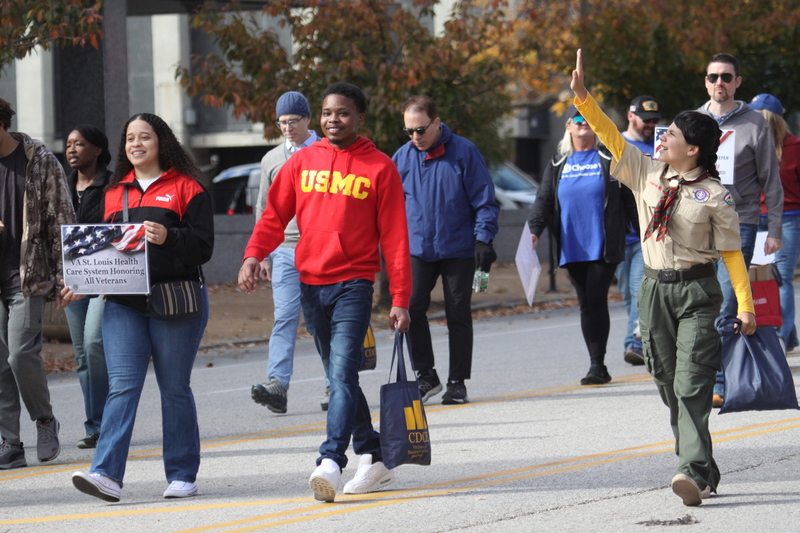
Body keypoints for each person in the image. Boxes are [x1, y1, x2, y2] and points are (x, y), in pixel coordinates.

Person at [571, 49, 756, 506]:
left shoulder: (715, 195)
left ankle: (690, 470)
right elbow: (613, 137)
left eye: (670, 134)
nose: (660, 137)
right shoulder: (645, 172)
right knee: (667, 380)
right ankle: (704, 468)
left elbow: (732, 256)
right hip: (653, 289)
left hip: (696, 291)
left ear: (692, 148)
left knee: (692, 383)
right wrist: (582, 100)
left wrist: (746, 306)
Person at [238, 82, 411, 503]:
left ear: (360, 119)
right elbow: (274, 214)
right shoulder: (303, 162)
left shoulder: (380, 167)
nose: (335, 119)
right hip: (310, 281)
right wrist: (252, 255)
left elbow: (395, 239)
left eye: (344, 113)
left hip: (354, 283)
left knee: (340, 376)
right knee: (341, 374)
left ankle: (330, 460)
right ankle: (374, 451)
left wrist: (401, 298)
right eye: (329, 112)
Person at [67, 113, 214, 502]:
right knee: (123, 388)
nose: (136, 144)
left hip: (176, 302)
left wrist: (169, 236)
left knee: (174, 389)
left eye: (144, 137)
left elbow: (203, 247)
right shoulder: (114, 192)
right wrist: (80, 282)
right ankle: (106, 475)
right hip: (123, 304)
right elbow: (98, 248)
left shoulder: (188, 187)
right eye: (130, 137)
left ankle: (183, 474)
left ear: (161, 142)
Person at [392, 95, 499, 405]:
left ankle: (457, 381)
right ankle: (426, 376)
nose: (415, 137)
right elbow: (390, 207)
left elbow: (485, 200)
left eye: (421, 130)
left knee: (457, 312)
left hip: (459, 247)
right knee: (410, 308)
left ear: (437, 123)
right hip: (418, 247)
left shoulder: (464, 152)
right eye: (409, 131)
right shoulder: (402, 158)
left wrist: (483, 239)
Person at [696, 53, 783, 406]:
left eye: (726, 77)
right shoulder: (693, 121)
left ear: (737, 82)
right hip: (699, 222)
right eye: (713, 77)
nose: (720, 83)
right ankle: (700, 371)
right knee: (701, 297)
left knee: (727, 298)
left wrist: (774, 227)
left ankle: (718, 382)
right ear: (706, 81)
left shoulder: (754, 124)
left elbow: (771, 180)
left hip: (741, 221)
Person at [528, 106, 637, 385]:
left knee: (596, 299)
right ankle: (595, 363)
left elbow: (629, 200)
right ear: (568, 126)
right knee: (586, 304)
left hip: (602, 243)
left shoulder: (608, 158)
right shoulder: (557, 163)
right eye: (578, 120)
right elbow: (543, 200)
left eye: (588, 120)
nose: (583, 124)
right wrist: (534, 230)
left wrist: (646, 231)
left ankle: (597, 365)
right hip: (571, 245)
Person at [0, 97, 75, 470]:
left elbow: (62, 218)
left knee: (19, 354)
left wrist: (68, 275)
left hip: (25, 276)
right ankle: (9, 442)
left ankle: (44, 421)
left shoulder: (39, 161)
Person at [250, 91, 330, 414]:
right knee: (284, 316)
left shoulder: (327, 152)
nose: (287, 128)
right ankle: (277, 385)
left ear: (308, 120)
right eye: (281, 123)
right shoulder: (271, 160)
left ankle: (334, 383)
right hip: (284, 250)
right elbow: (263, 209)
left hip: (322, 249)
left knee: (323, 321)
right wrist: (263, 254)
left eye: (293, 121)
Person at [64, 125, 112, 449]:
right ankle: (94, 425)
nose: (71, 150)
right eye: (68, 144)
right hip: (71, 281)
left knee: (95, 343)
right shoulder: (62, 187)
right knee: (81, 354)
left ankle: (109, 421)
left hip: (106, 277)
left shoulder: (112, 185)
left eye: (79, 144)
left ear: (96, 150)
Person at [749, 94, 800, 351]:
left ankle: (780, 335)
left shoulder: (795, 146)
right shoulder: (749, 146)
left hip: (788, 219)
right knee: (757, 278)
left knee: (780, 278)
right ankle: (786, 336)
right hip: (753, 217)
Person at [618, 95, 662, 366]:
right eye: (646, 120)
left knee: (638, 288)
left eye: (655, 120)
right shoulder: (616, 144)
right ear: (630, 116)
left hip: (647, 232)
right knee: (626, 292)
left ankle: (634, 342)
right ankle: (642, 334)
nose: (651, 125)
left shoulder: (661, 145)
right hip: (617, 233)